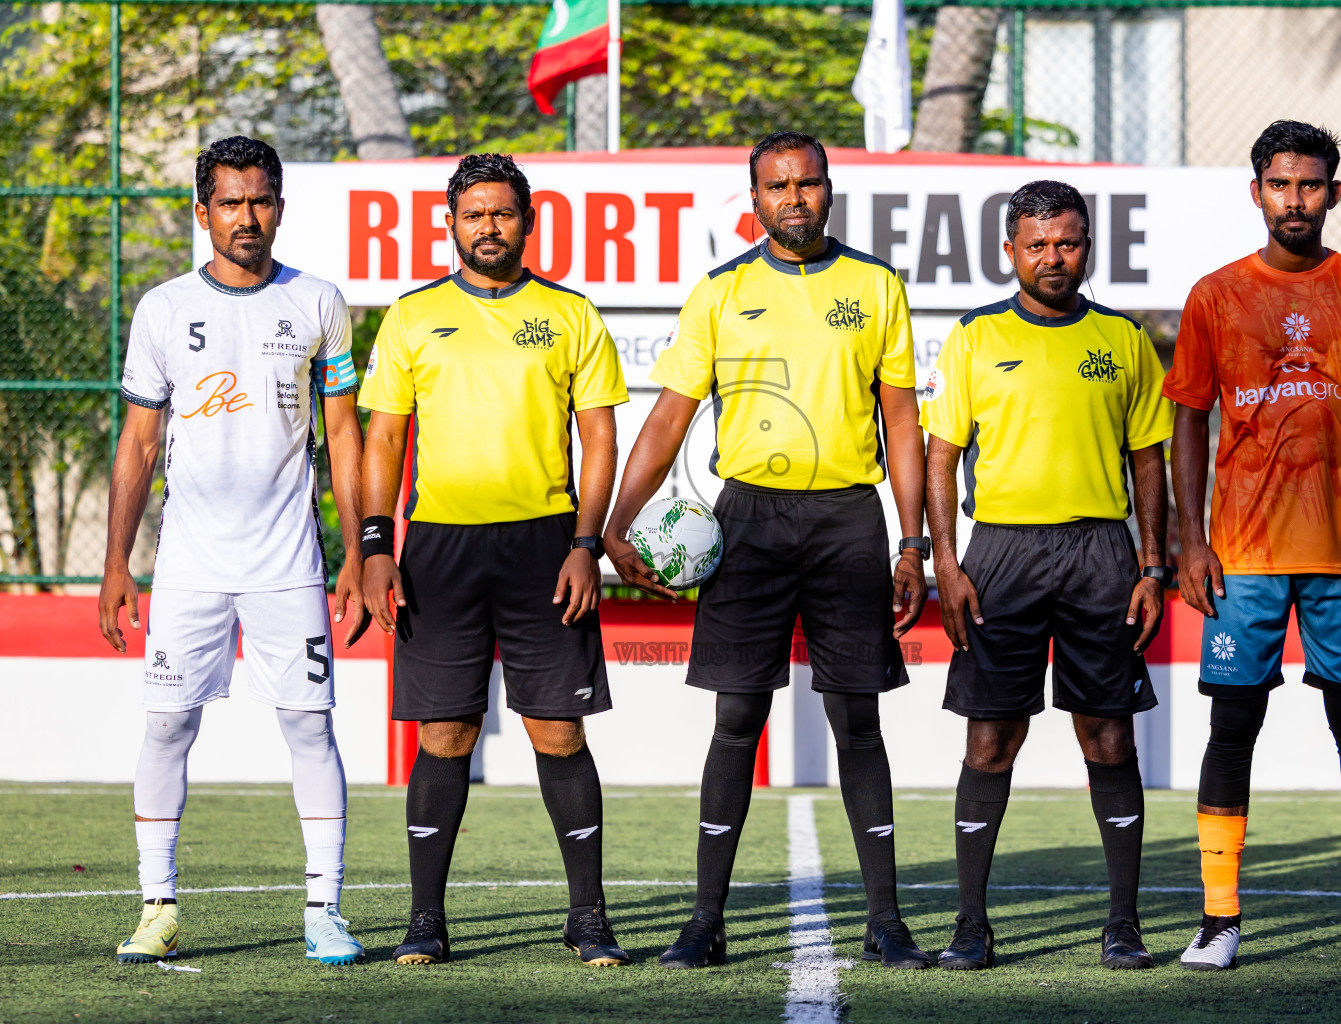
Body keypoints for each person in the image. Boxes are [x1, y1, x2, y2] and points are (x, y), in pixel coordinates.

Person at [602, 131, 931, 969]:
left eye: (807, 183)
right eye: (778, 186)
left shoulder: (877, 285)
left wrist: (913, 542)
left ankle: (886, 921)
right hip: (747, 520)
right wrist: (614, 521)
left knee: (857, 718)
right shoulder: (720, 291)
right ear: (754, 201)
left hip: (848, 521)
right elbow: (669, 416)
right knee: (737, 717)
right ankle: (704, 922)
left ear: (829, 191)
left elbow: (901, 421)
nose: (794, 198)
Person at [98, 136, 368, 966]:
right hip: (189, 565)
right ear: (201, 211)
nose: (245, 217)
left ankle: (324, 908)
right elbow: (139, 443)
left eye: (259, 201)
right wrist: (116, 563)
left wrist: (359, 552)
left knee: (310, 727)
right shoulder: (163, 309)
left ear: (279, 208)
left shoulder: (318, 302)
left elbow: (344, 436)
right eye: (229, 202)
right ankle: (158, 906)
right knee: (167, 724)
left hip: (289, 563)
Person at [357, 153, 630, 967]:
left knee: (558, 729)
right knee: (446, 731)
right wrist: (376, 546)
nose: (488, 226)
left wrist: (587, 543)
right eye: (473, 213)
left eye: (502, 213)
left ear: (527, 222)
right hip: (440, 548)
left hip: (546, 546)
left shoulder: (571, 314)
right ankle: (425, 921)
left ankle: (587, 917)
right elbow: (383, 438)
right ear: (451, 223)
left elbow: (600, 437)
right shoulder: (412, 317)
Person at [1163, 120, 1341, 971]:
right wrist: (1190, 539)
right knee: (1233, 724)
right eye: (1280, 184)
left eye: (1310, 185)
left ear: (1333, 193)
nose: (1295, 199)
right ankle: (1219, 920)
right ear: (1257, 193)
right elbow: (1187, 421)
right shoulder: (1214, 296)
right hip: (1241, 555)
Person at [921, 180, 1174, 971]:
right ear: (1010, 251)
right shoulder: (974, 336)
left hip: (1102, 553)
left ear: (1087, 246)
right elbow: (940, 456)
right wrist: (946, 562)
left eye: (1066, 242)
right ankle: (970, 925)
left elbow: (1149, 460)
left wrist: (1153, 565)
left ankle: (1123, 924)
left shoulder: (1123, 339)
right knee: (990, 738)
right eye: (1037, 245)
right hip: (1000, 553)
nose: (1052, 257)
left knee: (1109, 734)